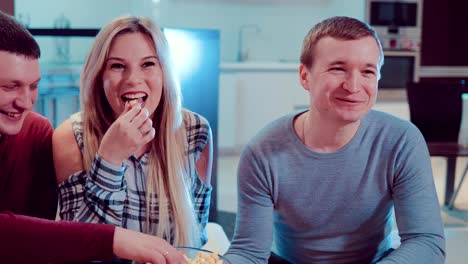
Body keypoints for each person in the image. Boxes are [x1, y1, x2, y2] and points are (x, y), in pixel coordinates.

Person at [224, 16, 445, 264]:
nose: (353, 85)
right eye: (338, 68)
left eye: (367, 71)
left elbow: (426, 242)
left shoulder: (402, 141)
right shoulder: (262, 152)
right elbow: (249, 252)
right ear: (305, 76)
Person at [0, 11, 186, 264]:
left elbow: (45, 240)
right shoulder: (71, 135)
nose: (25, 103)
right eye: (9, 86)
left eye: (33, 86)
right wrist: (114, 238)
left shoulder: (35, 133)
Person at [53, 15, 213, 252]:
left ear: (165, 72)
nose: (133, 79)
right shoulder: (72, 136)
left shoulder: (195, 132)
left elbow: (194, 241)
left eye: (148, 64)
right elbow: (75, 249)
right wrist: (109, 159)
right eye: (117, 66)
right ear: (99, 77)